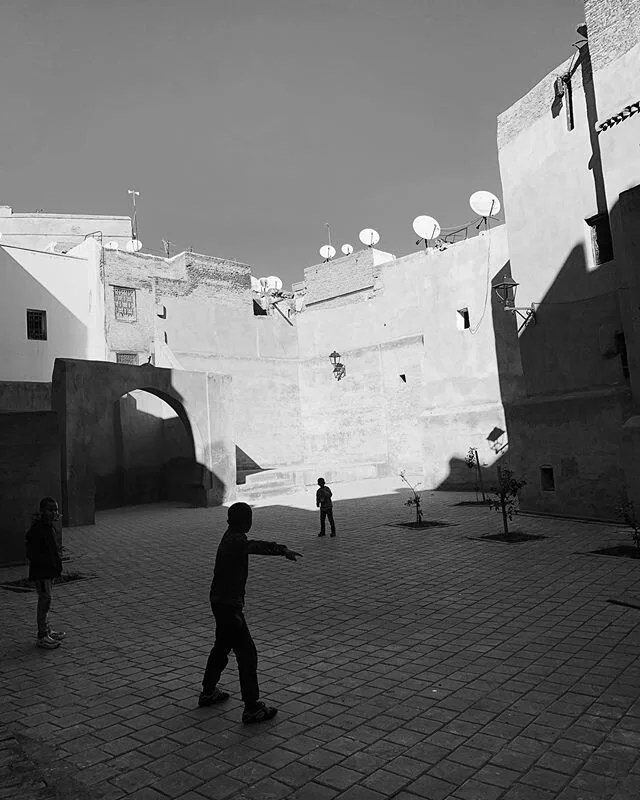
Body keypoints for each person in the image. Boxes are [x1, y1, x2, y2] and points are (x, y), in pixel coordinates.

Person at [199, 502, 302, 723]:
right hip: (229, 606)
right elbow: (255, 546)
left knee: (222, 647)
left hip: (219, 601)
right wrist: (282, 550)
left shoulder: (230, 536)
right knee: (247, 654)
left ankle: (208, 692)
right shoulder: (236, 541)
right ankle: (252, 707)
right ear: (246, 521)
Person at [25, 497, 66, 650]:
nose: (54, 513)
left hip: (48, 570)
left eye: (55, 509)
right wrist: (46, 563)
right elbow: (33, 552)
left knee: (47, 600)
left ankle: (47, 631)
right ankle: (42, 635)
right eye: (50, 510)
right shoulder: (37, 529)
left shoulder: (49, 527)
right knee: (44, 600)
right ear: (42, 511)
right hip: (41, 572)